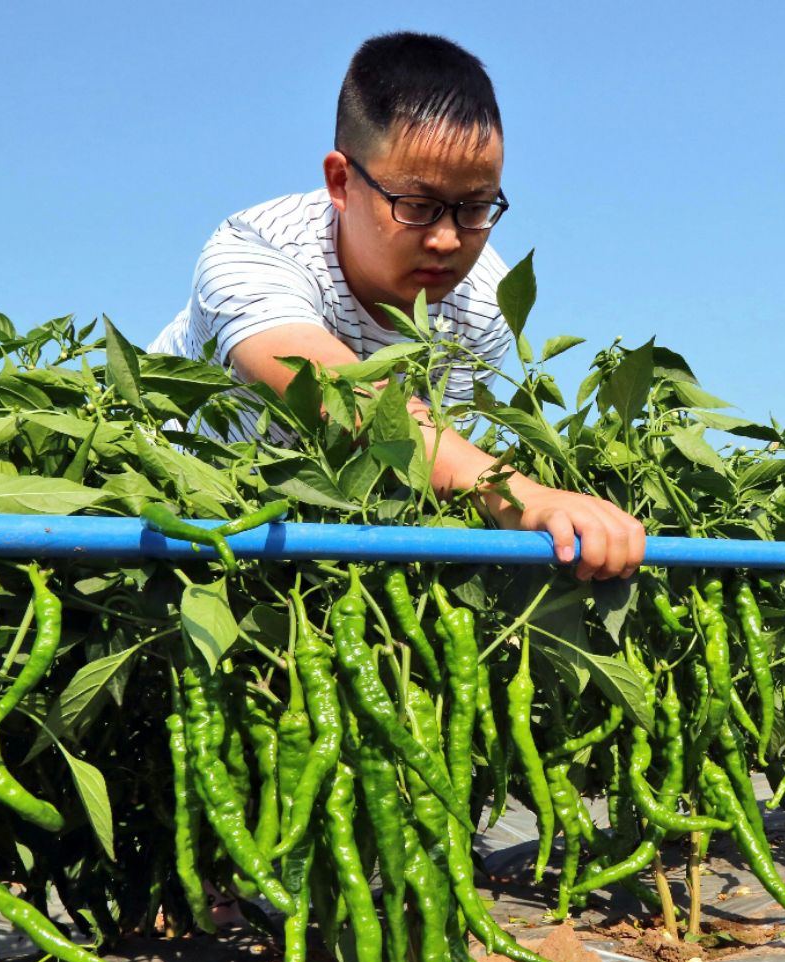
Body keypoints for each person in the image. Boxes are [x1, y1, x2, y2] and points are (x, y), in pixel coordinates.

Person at [150, 32, 645, 581]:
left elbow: (430, 457)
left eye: (476, 207)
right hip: (178, 513)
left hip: (317, 538)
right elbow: (336, 391)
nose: (447, 240)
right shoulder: (253, 248)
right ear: (341, 180)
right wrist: (518, 494)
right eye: (418, 205)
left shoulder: (481, 300)